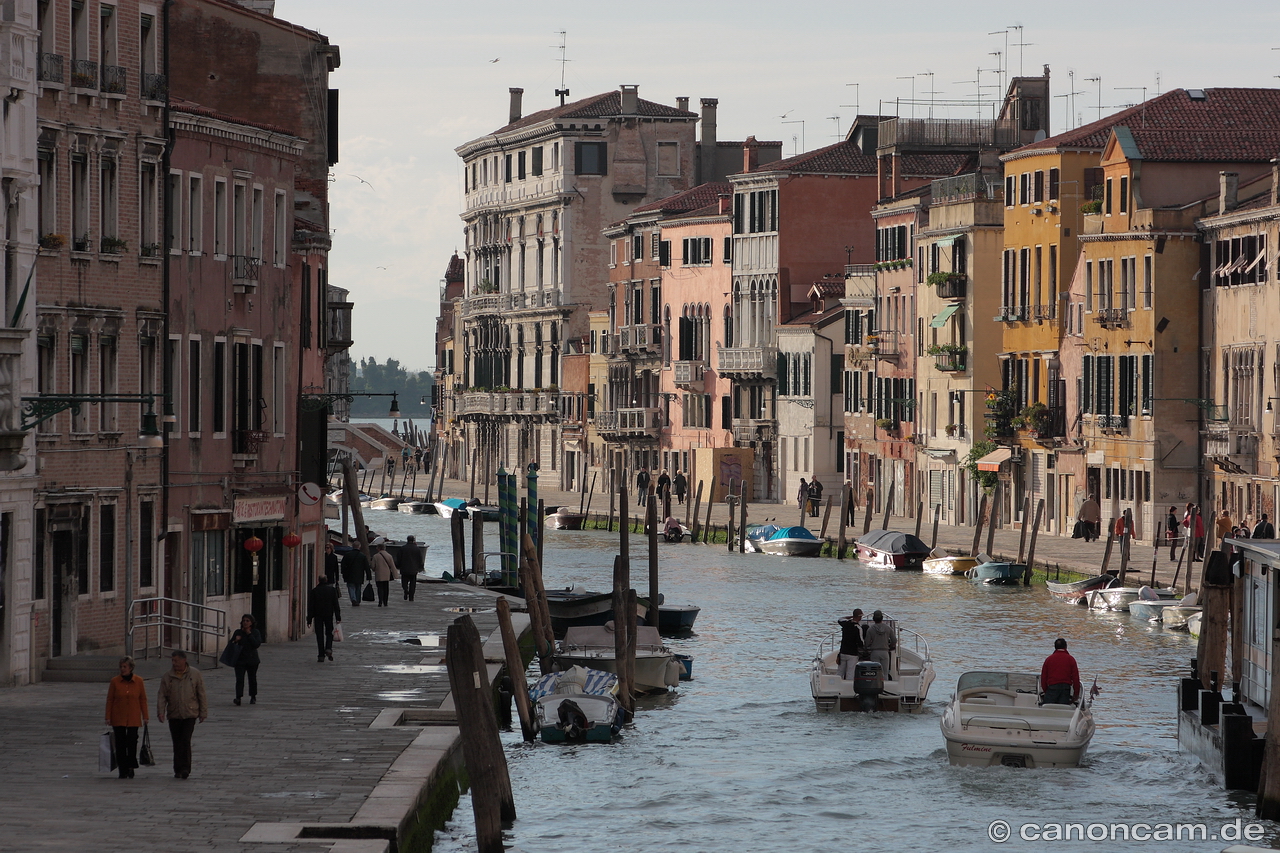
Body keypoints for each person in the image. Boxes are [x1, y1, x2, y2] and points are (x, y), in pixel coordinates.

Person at [157, 651, 207, 779]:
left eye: (176, 660)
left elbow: (201, 693)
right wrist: (161, 711)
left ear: (184, 660)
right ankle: (177, 768)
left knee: (185, 740)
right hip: (174, 713)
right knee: (177, 742)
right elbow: (162, 695)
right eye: (172, 661)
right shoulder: (167, 676)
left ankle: (185, 768)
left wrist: (203, 712)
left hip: (189, 713)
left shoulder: (194, 674)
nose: (174, 663)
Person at [105, 655, 148, 779]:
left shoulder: (139, 681)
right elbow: (110, 699)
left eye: (125, 667)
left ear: (130, 668)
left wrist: (145, 716)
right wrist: (108, 716)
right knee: (120, 743)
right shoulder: (115, 681)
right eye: (121, 667)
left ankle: (131, 766)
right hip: (118, 716)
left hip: (133, 717)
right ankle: (122, 768)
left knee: (132, 741)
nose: (122, 669)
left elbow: (143, 699)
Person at [307, 573, 342, 662]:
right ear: (326, 580)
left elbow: (311, 606)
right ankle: (328, 648)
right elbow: (336, 605)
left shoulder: (314, 591)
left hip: (318, 615)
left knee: (319, 635)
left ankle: (321, 655)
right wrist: (338, 617)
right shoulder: (332, 590)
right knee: (329, 633)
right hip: (328, 615)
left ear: (318, 580)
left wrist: (309, 619)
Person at [230, 614, 262, 706]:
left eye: (247, 621)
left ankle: (253, 696)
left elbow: (256, 644)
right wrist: (235, 641)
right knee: (239, 679)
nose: (245, 622)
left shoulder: (255, 632)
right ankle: (238, 697)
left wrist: (249, 634)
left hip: (252, 660)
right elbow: (231, 644)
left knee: (252, 679)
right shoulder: (238, 632)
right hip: (240, 660)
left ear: (251, 623)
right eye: (244, 621)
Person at [1040, 638, 1081, 706]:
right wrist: (1076, 694)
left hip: (1052, 688)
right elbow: (1076, 678)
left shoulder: (1049, 659)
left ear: (1055, 647)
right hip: (1065, 689)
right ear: (1066, 647)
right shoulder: (1071, 659)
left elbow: (1044, 677)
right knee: (1063, 709)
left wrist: (1045, 691)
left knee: (1048, 708)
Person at [864, 610, 896, 679]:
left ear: (873, 619)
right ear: (882, 618)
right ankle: (886, 686)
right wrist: (889, 646)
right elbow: (894, 640)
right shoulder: (888, 628)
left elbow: (866, 643)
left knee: (875, 672)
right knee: (885, 673)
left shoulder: (870, 629)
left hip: (874, 652)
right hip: (885, 652)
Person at [837, 609, 864, 680]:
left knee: (840, 672)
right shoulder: (858, 628)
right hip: (852, 654)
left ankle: (837, 687)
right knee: (850, 673)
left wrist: (851, 617)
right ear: (860, 617)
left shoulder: (845, 624)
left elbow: (840, 619)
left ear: (853, 616)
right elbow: (861, 643)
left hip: (843, 652)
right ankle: (848, 689)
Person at [396, 535, 425, 601]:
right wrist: (420, 567)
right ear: (413, 540)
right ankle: (411, 597)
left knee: (404, 582)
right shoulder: (417, 549)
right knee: (413, 583)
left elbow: (398, 558)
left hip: (404, 569)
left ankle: (405, 589)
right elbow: (420, 559)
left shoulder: (403, 548)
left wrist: (398, 566)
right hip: (414, 569)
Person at [371, 538, 399, 607]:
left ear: (379, 548)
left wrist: (374, 569)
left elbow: (372, 566)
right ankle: (385, 602)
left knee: (380, 588)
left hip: (379, 574)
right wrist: (396, 574)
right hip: (387, 574)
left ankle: (380, 601)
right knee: (386, 588)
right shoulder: (389, 556)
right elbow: (393, 566)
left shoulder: (375, 556)